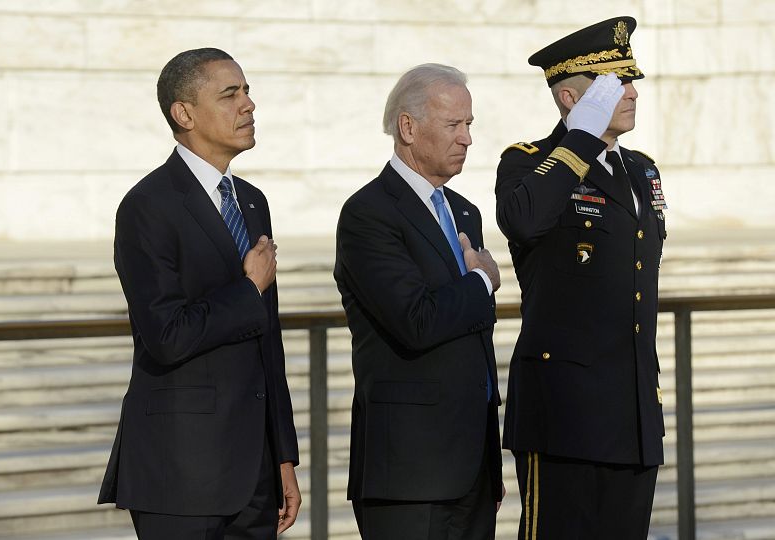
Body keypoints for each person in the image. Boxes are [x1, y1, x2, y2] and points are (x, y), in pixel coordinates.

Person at [97, 48, 301, 540]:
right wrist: (249, 288)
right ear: (183, 113)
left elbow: (266, 342)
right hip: (179, 473)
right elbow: (167, 334)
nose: (248, 105)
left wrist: (284, 454)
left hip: (254, 473)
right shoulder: (148, 205)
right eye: (230, 94)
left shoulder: (252, 201)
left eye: (248, 91)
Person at [495, 16, 667, 539]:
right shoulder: (529, 164)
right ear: (572, 98)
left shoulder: (642, 170)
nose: (633, 93)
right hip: (565, 411)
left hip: (632, 410)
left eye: (631, 81)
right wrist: (581, 141)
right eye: (615, 85)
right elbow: (524, 220)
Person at [334, 63, 505, 540]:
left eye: (469, 124)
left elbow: (474, 336)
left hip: (472, 466)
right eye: (454, 125)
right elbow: (416, 319)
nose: (467, 138)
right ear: (407, 127)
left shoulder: (464, 210)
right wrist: (480, 281)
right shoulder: (368, 213)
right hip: (410, 473)